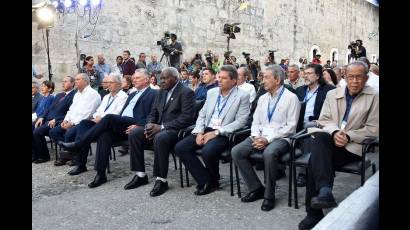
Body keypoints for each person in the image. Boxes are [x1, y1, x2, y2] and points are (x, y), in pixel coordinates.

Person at [298, 61, 378, 230]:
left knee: (315, 160)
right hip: (330, 141)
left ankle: (314, 212)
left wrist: (348, 136)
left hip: (353, 147)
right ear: (344, 77)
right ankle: (325, 192)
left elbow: (374, 128)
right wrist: (335, 132)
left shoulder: (375, 97)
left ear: (367, 77)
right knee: (319, 139)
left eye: (359, 77)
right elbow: (324, 120)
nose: (355, 81)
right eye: (351, 77)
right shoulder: (333, 94)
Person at [60, 69, 157, 187]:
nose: (133, 80)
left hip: (135, 124)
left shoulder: (154, 93)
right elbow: (120, 113)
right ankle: (101, 174)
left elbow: (154, 114)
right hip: (122, 124)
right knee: (103, 135)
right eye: (133, 78)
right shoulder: (132, 94)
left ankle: (79, 143)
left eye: (137, 78)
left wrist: (139, 125)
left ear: (146, 79)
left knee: (109, 117)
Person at [231, 65, 300, 212]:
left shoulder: (291, 98)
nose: (262, 81)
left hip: (281, 137)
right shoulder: (262, 98)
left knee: (269, 153)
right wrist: (256, 136)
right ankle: (256, 188)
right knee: (237, 151)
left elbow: (291, 127)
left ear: (277, 79)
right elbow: (255, 122)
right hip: (260, 135)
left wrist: (268, 140)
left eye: (266, 77)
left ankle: (269, 195)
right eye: (262, 77)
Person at [175, 65, 250, 195]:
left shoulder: (242, 95)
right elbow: (202, 114)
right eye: (219, 77)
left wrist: (216, 132)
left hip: (224, 132)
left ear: (233, 81)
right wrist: (199, 132)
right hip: (206, 129)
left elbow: (241, 121)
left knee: (208, 151)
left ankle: (213, 181)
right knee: (181, 147)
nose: (219, 80)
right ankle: (206, 180)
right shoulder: (212, 92)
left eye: (224, 78)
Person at [123, 67, 195, 197]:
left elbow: (187, 118)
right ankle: (140, 175)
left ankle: (161, 179)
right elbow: (153, 112)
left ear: (175, 78)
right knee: (135, 133)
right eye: (160, 78)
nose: (161, 81)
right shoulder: (161, 92)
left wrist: (162, 127)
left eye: (165, 78)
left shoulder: (186, 92)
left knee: (160, 137)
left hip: (175, 130)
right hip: (158, 127)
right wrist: (149, 123)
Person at [60, 73, 128, 175]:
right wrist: (96, 117)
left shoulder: (123, 96)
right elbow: (98, 111)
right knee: (83, 124)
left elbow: (116, 113)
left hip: (111, 125)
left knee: (96, 133)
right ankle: (81, 164)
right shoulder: (106, 97)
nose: (108, 85)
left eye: (111, 83)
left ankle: (77, 145)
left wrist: (100, 118)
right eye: (107, 83)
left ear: (118, 84)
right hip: (98, 122)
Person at [294, 64, 336, 187]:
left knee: (308, 129)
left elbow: (331, 115)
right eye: (304, 73)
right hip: (298, 122)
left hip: (318, 123)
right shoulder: (300, 90)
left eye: (309, 73)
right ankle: (277, 168)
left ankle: (303, 172)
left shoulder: (329, 90)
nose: (305, 76)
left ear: (317, 76)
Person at [51, 73, 101, 166]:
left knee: (69, 133)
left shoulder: (92, 94)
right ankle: (69, 153)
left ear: (85, 81)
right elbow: (71, 109)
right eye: (76, 79)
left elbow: (88, 113)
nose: (75, 81)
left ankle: (71, 156)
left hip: (83, 122)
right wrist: (66, 120)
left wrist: (72, 123)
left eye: (78, 79)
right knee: (54, 132)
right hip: (71, 121)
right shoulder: (77, 94)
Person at [32, 76, 76, 163]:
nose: (63, 83)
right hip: (47, 119)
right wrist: (42, 117)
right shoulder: (59, 95)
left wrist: (56, 119)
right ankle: (38, 154)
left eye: (65, 81)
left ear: (72, 84)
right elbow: (49, 108)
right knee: (33, 128)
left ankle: (45, 156)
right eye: (62, 81)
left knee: (37, 131)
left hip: (59, 121)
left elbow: (70, 112)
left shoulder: (74, 96)